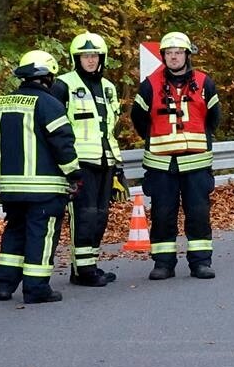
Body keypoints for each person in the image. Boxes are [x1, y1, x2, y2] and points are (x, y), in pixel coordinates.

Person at [0, 50, 81, 304]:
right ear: (48, 77)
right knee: (41, 235)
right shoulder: (50, 104)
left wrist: (3, 170)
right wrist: (74, 173)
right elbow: (62, 144)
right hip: (45, 188)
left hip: (11, 187)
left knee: (15, 232)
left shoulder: (1, 103)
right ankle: (36, 288)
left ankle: (4, 286)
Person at [131, 31, 220, 280]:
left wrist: (201, 137)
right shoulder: (150, 84)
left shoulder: (205, 82)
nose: (173, 57)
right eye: (169, 53)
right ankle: (163, 263)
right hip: (161, 165)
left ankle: (201, 262)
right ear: (163, 56)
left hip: (197, 164)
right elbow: (138, 117)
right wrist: (153, 137)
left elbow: (214, 117)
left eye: (178, 53)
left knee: (198, 214)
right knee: (162, 214)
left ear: (187, 55)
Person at [57, 32, 123, 286]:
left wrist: (117, 165)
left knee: (100, 215)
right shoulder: (63, 85)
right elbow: (55, 127)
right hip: (79, 163)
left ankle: (90, 266)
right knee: (84, 215)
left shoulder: (108, 87)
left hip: (105, 161)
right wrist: (65, 165)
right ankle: (82, 271)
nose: (91, 60)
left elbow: (109, 128)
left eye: (94, 55)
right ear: (77, 59)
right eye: (85, 56)